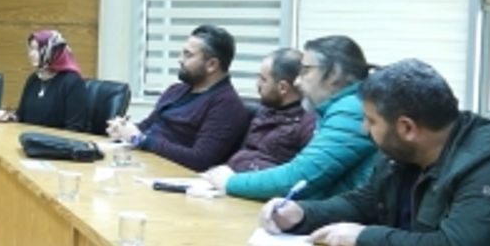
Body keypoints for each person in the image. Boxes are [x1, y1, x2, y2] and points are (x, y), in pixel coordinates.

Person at [260, 59, 490, 246]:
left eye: (371, 120)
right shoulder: (401, 152)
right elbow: (364, 202)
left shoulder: (485, 160)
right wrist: (302, 214)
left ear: (407, 128)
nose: (364, 129)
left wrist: (362, 237)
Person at [204, 36, 376, 200]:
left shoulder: (351, 109)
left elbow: (299, 177)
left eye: (305, 71)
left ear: (334, 74)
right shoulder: (339, 107)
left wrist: (230, 182)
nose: (297, 82)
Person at [107, 25, 250, 171]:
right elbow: (147, 126)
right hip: (142, 164)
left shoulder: (227, 105)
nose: (180, 60)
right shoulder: (176, 90)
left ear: (211, 65)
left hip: (172, 175)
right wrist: (123, 129)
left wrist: (141, 140)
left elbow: (200, 160)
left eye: (188, 55)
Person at [201, 49, 315, 182]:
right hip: (224, 179)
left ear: (283, 87)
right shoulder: (263, 111)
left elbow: (293, 177)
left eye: (263, 79)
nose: (257, 84)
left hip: (251, 187)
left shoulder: (304, 126)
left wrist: (233, 177)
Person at [0, 29, 89, 132]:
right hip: (30, 138)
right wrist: (9, 117)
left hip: (55, 141)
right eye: (30, 49)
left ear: (52, 51)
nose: (31, 54)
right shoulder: (34, 79)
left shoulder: (73, 82)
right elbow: (21, 116)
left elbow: (75, 128)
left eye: (36, 49)